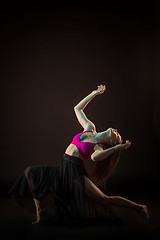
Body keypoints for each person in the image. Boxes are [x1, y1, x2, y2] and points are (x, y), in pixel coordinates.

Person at [8, 84, 148, 224]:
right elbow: (77, 108)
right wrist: (94, 93)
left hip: (75, 172)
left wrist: (118, 148)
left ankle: (139, 207)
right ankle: (40, 210)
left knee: (104, 199)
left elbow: (95, 157)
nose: (116, 130)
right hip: (64, 167)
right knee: (30, 172)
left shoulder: (98, 147)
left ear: (111, 141)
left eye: (116, 135)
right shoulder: (89, 128)